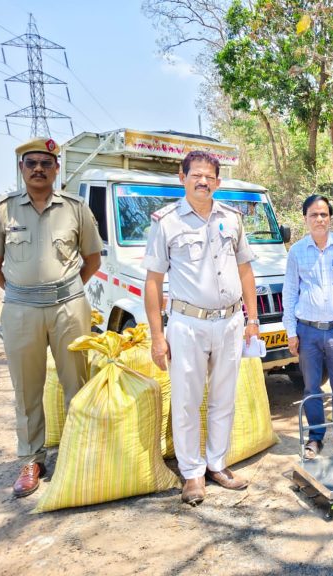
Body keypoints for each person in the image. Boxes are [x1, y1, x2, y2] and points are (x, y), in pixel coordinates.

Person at [0, 137, 102, 497]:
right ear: (21, 168)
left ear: (56, 168)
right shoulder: (1, 211)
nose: (38, 169)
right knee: (27, 387)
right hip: (21, 310)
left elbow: (92, 259)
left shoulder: (76, 208)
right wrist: (22, 293)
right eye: (31, 163)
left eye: (46, 163)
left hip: (69, 307)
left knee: (77, 383)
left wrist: (65, 291)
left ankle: (78, 453)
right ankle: (32, 459)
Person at [143, 150, 259, 506]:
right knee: (186, 402)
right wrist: (157, 337)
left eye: (209, 176)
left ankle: (217, 464)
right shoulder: (167, 223)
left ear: (218, 182)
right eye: (196, 175)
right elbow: (153, 282)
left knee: (224, 398)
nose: (203, 181)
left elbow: (245, 271)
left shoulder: (232, 219)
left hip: (230, 322)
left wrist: (252, 320)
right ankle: (192, 473)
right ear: (182, 178)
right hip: (188, 325)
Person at [283, 194, 333, 459]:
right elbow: (290, 292)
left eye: (324, 214)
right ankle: (315, 438)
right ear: (305, 218)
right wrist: (291, 332)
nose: (319, 219)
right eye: (314, 215)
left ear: (330, 217)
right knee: (311, 388)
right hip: (307, 332)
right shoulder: (296, 251)